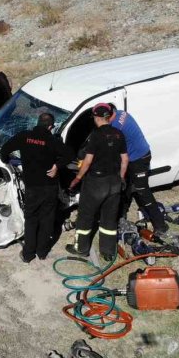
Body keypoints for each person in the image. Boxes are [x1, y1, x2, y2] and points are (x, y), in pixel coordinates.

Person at [0, 113, 73, 263]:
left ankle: (28, 254)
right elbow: (70, 155)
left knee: (31, 219)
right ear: (51, 127)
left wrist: (6, 161)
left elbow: (4, 150)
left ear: (37, 122)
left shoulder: (24, 136)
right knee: (47, 219)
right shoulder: (52, 141)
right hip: (49, 187)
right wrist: (57, 166)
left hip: (32, 187)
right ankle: (42, 252)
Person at [67, 103, 128, 262]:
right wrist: (121, 178)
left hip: (96, 183)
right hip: (114, 182)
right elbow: (125, 159)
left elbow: (87, 161)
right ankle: (108, 252)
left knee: (86, 216)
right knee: (109, 218)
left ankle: (81, 248)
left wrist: (78, 178)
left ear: (97, 117)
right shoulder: (119, 134)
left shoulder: (95, 135)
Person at [109, 104, 168, 235]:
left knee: (142, 191)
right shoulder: (121, 113)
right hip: (137, 155)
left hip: (139, 158)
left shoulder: (116, 127)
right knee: (126, 187)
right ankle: (121, 216)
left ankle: (161, 226)